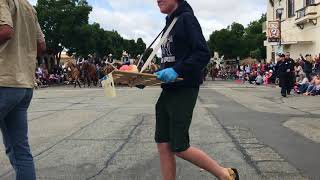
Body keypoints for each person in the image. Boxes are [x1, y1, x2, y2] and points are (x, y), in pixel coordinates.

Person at [154, 0, 239, 180]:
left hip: (184, 88)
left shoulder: (186, 19)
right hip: (168, 89)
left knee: (179, 146)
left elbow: (202, 53)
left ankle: (225, 175)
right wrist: (144, 78)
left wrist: (177, 70)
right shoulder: (169, 23)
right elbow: (169, 60)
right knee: (163, 143)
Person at [0, 0, 46, 179]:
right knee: (20, 152)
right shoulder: (28, 7)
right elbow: (41, 46)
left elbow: (5, 30)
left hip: (3, 81)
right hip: (23, 86)